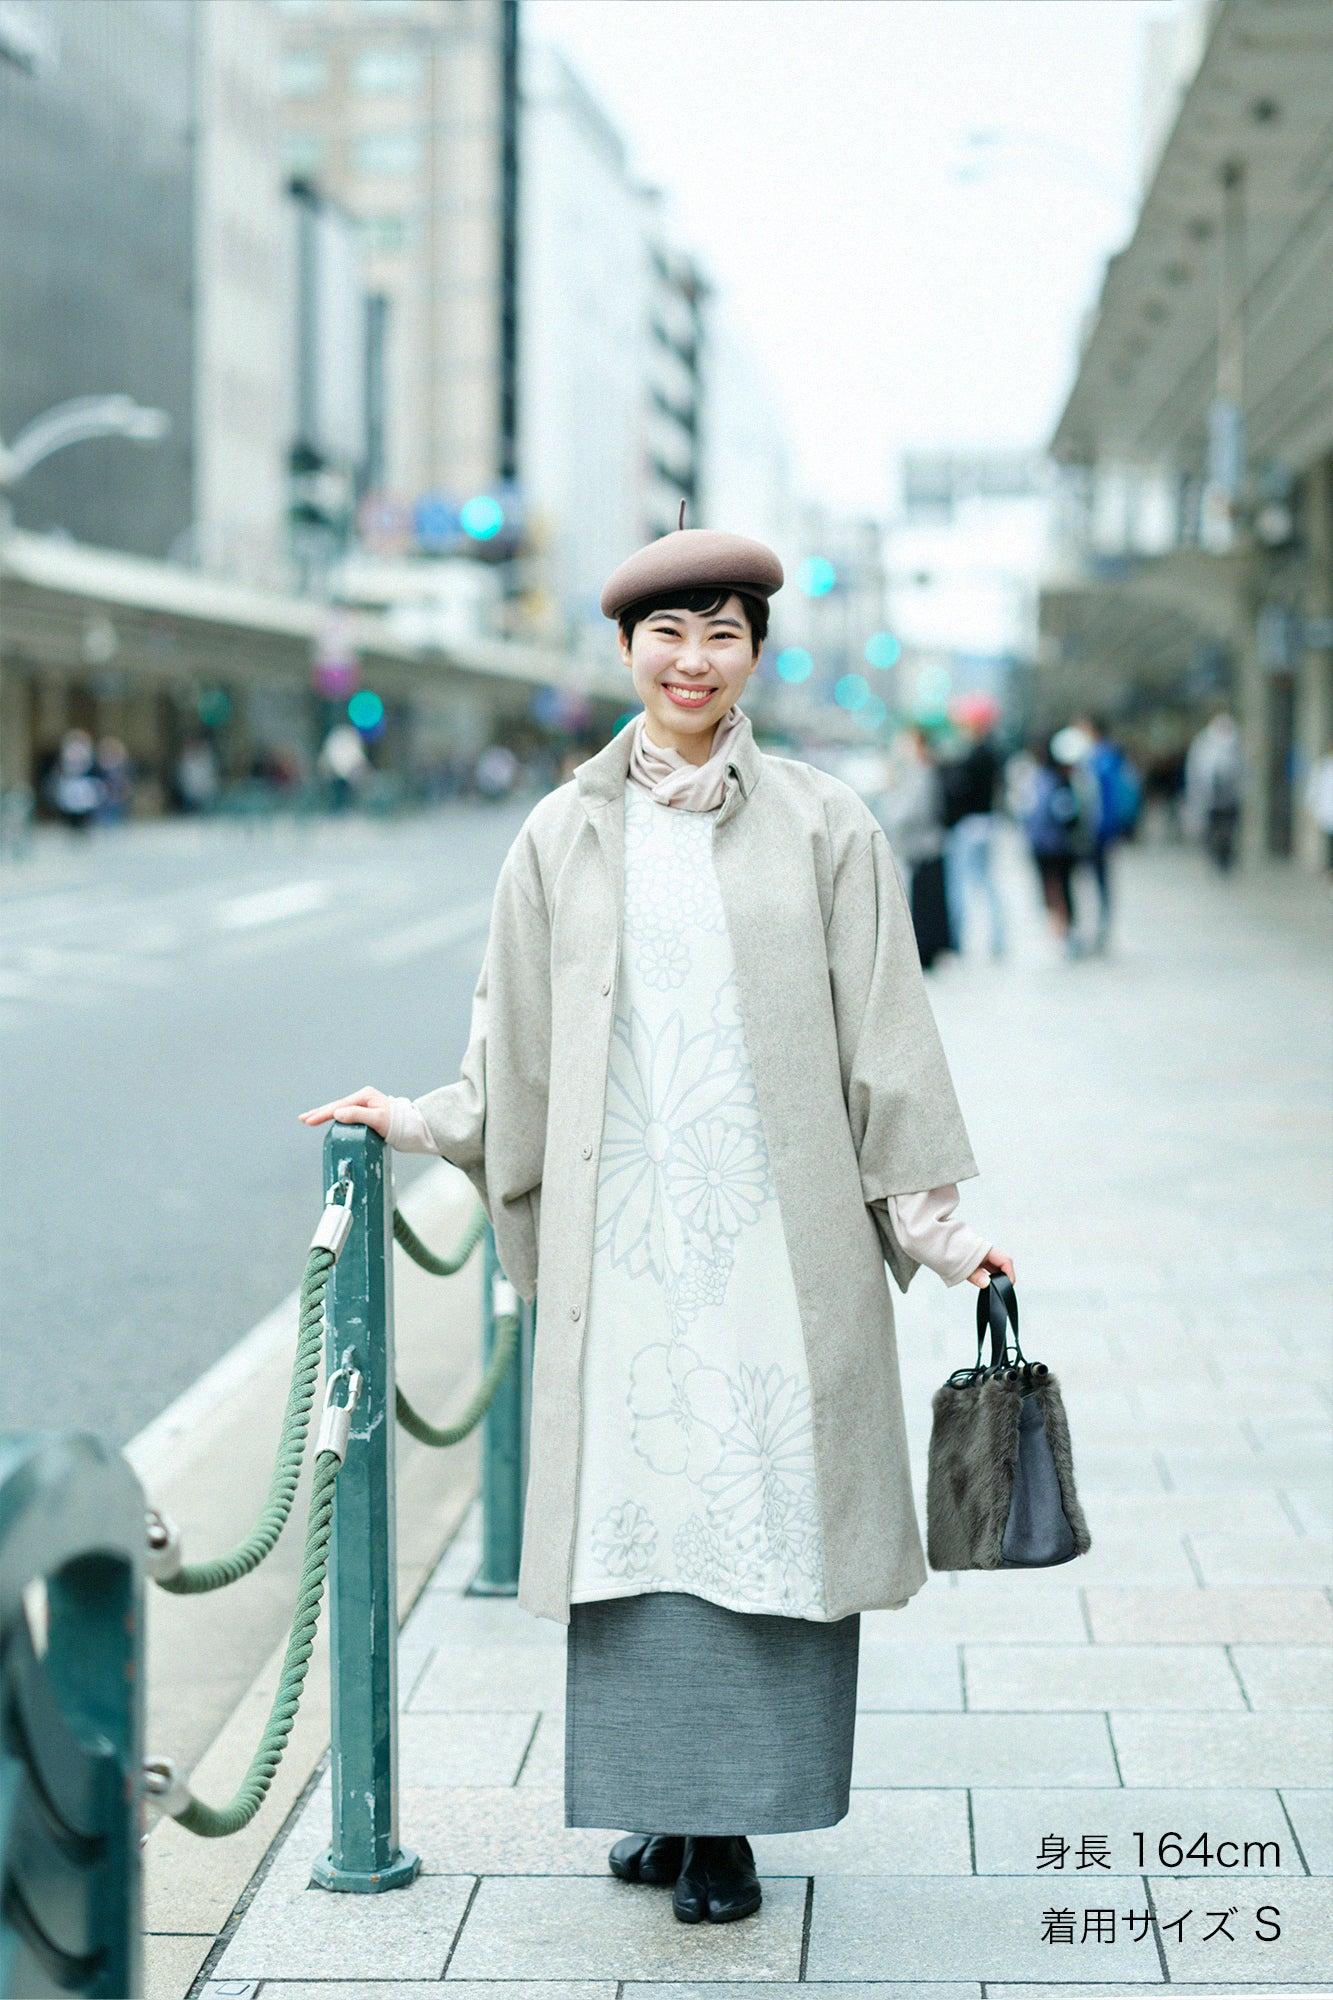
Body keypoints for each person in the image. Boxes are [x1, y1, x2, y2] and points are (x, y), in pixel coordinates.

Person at [301, 525, 1011, 1928]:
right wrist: (425, 1120)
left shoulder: (825, 824)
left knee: (766, 1505)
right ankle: (660, 1804)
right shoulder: (561, 833)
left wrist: (938, 1233)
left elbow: (887, 1038)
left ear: (755, 652)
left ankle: (729, 1831)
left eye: (724, 634)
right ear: (627, 652)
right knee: (639, 1518)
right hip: (622, 1251)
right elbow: (514, 1048)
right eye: (669, 634)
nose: (696, 661)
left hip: (774, 1240)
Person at [877, 727, 953, 969]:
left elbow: (911, 811)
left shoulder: (923, 772)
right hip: (916, 847)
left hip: (923, 846)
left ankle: (927, 948)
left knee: (925, 902)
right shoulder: (912, 772)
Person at [941, 703, 1005, 959]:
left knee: (961, 885)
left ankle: (958, 938)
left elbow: (961, 791)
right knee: (986, 883)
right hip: (986, 823)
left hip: (970, 825)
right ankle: (998, 938)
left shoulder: (976, 756)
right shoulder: (991, 753)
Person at [1074, 716, 1141, 951]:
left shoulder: (1100, 759)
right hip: (1098, 829)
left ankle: (1099, 928)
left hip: (1098, 830)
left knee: (1096, 880)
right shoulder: (1103, 757)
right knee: (1096, 880)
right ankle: (1095, 927)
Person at [1023, 738, 1083, 955]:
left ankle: (1064, 930)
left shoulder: (1046, 780)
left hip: (1050, 845)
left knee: (1057, 888)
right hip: (1051, 845)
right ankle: (1062, 929)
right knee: (1057, 888)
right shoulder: (1051, 780)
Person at [1185, 709, 1243, 872]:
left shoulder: (1235, 745)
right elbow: (1196, 772)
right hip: (1209, 799)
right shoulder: (1203, 744)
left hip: (1230, 799)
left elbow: (1241, 772)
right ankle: (1214, 858)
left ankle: (1225, 859)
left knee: (1227, 831)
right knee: (1211, 831)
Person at [1304, 743, 1333, 872]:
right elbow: (1314, 788)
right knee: (1329, 841)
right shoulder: (1322, 765)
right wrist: (1310, 807)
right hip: (1326, 810)